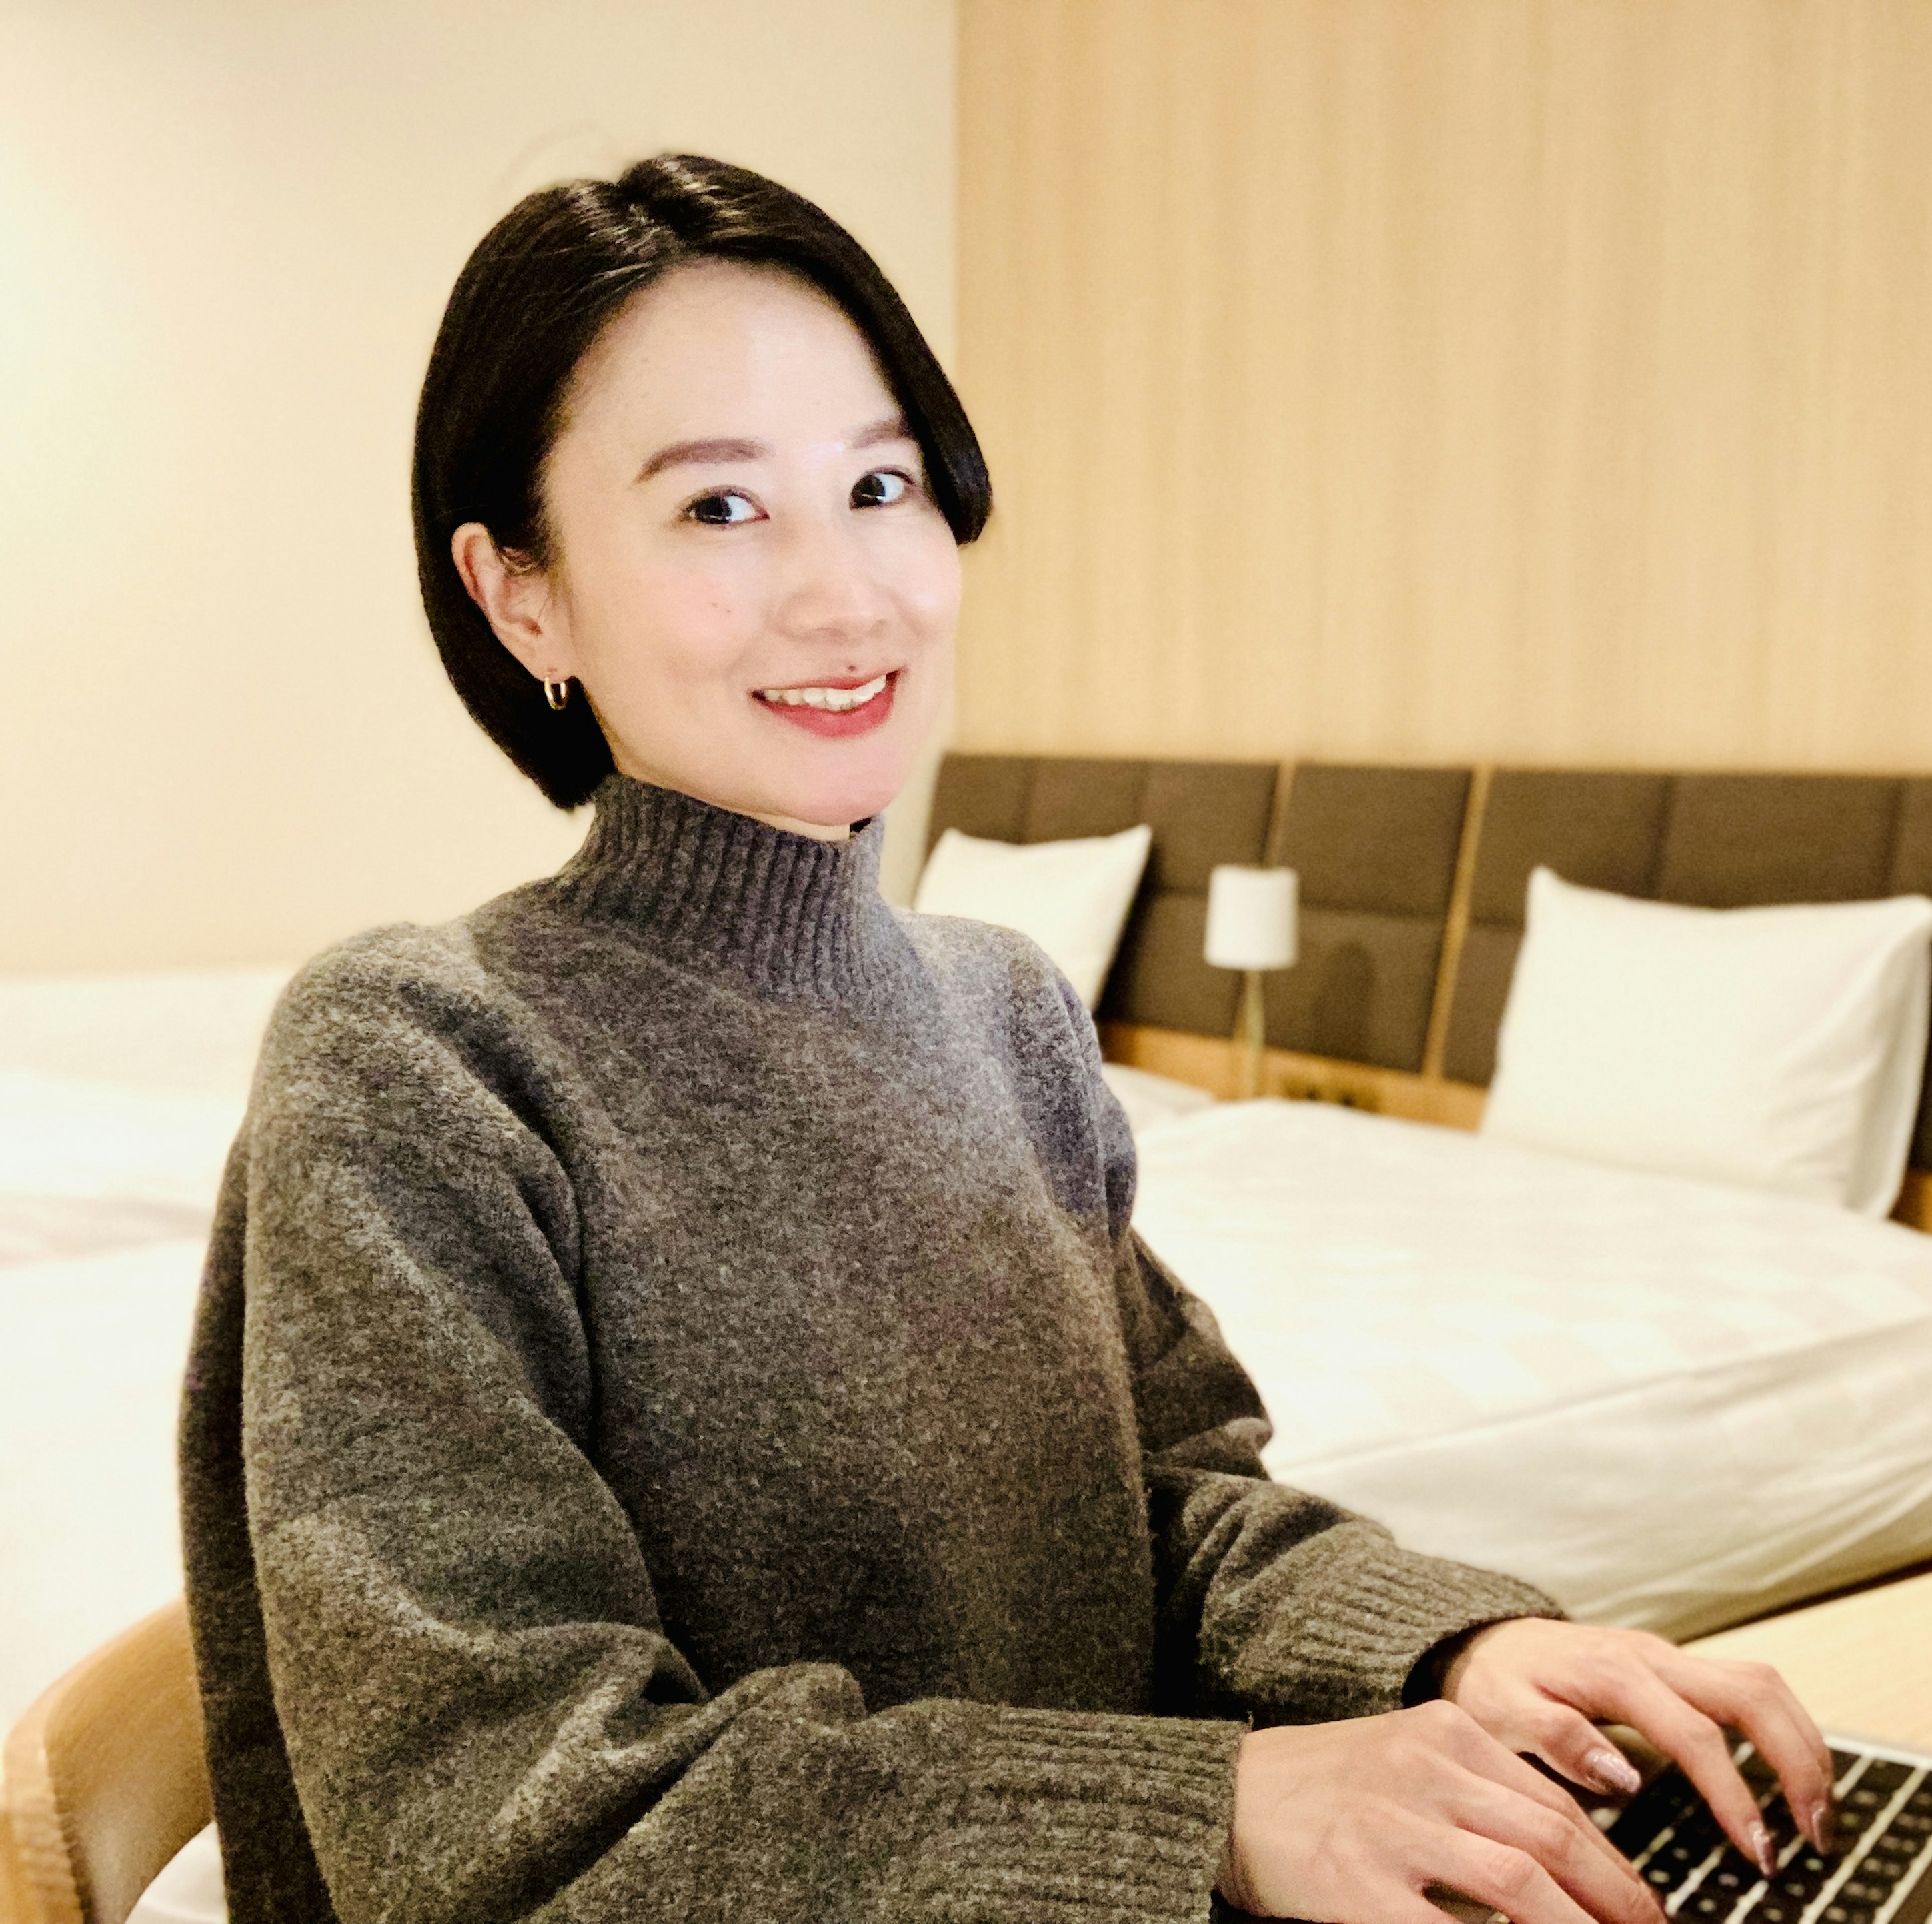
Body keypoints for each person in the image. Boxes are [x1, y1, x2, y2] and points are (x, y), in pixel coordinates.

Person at [179, 153, 1833, 1924]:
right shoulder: (421, 1059)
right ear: (524, 596)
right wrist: (1208, 1813)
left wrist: (1457, 1648)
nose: (850, 596)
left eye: (880, 485)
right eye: (720, 511)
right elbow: (494, 1826)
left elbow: (1166, 1506)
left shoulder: (1006, 1006)